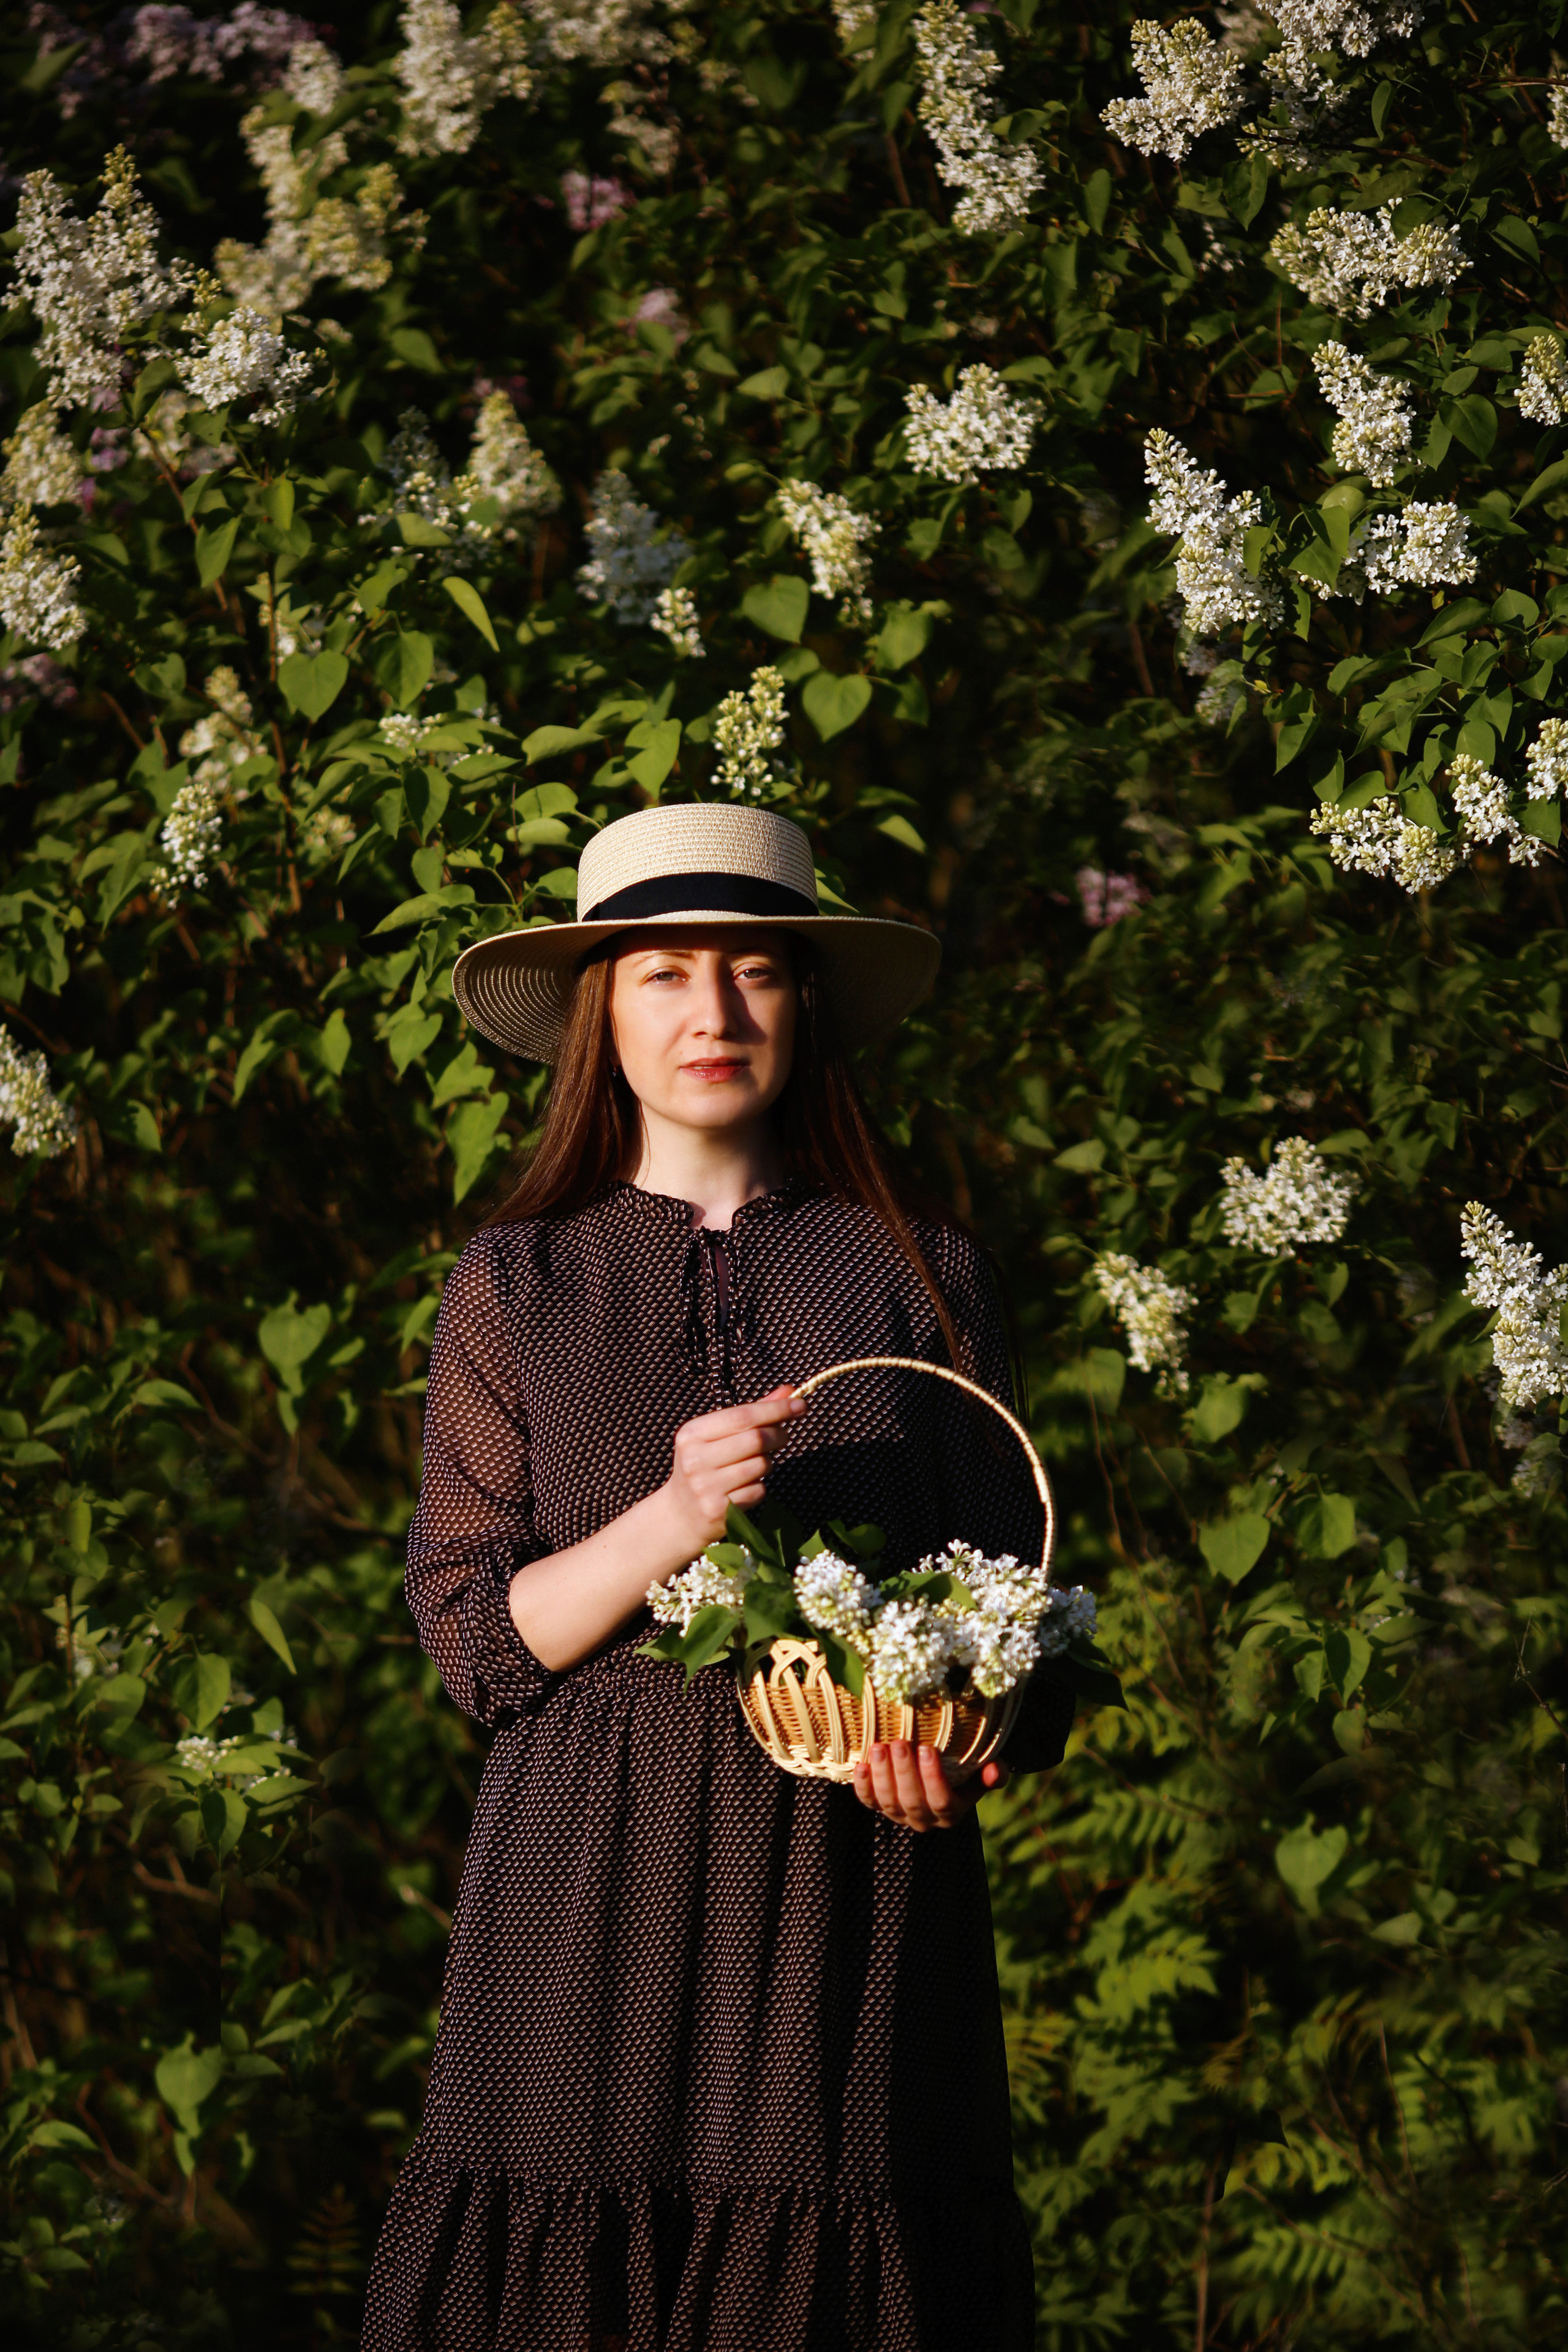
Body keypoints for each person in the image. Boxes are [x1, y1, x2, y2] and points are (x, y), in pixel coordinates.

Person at [361, 803, 1074, 2352]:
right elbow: (477, 1646)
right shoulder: (516, 1283)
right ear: (598, 1012)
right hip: (586, 1883)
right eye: (664, 975)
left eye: (753, 970)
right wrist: (665, 1519)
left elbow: (1021, 1614)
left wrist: (957, 1749)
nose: (712, 1013)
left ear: (803, 1004)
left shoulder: (918, 1272)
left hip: (848, 1893)